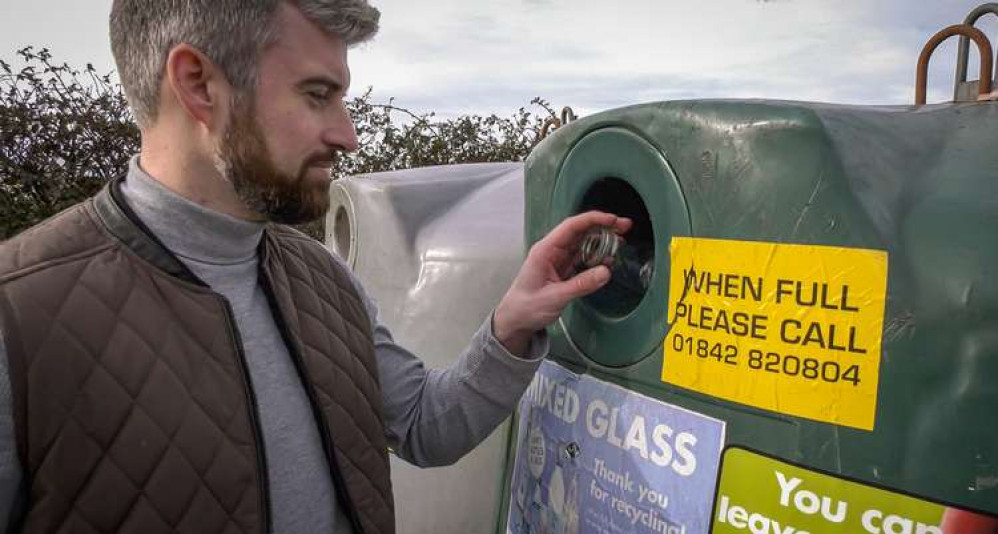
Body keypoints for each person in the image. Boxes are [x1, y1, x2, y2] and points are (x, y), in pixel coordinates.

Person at [0, 1, 631, 533]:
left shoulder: (323, 279)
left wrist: (512, 324)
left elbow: (423, 427)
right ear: (197, 82)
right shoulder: (19, 315)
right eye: (317, 95)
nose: (347, 134)